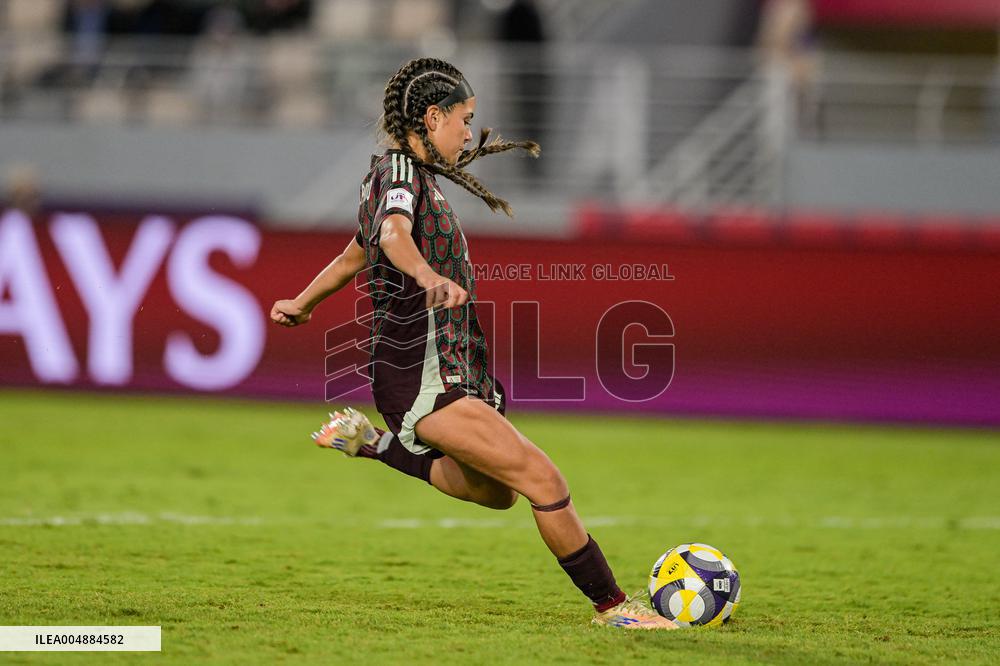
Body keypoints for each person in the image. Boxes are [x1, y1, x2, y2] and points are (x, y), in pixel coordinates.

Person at [270, 57, 675, 630]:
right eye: (464, 119)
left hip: (445, 367)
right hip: (422, 373)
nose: (468, 133)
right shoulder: (400, 174)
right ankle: (615, 610)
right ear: (432, 118)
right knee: (545, 481)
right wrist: (427, 276)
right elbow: (391, 234)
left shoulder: (403, 178)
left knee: (496, 493)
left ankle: (373, 444)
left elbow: (353, 255)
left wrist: (303, 302)